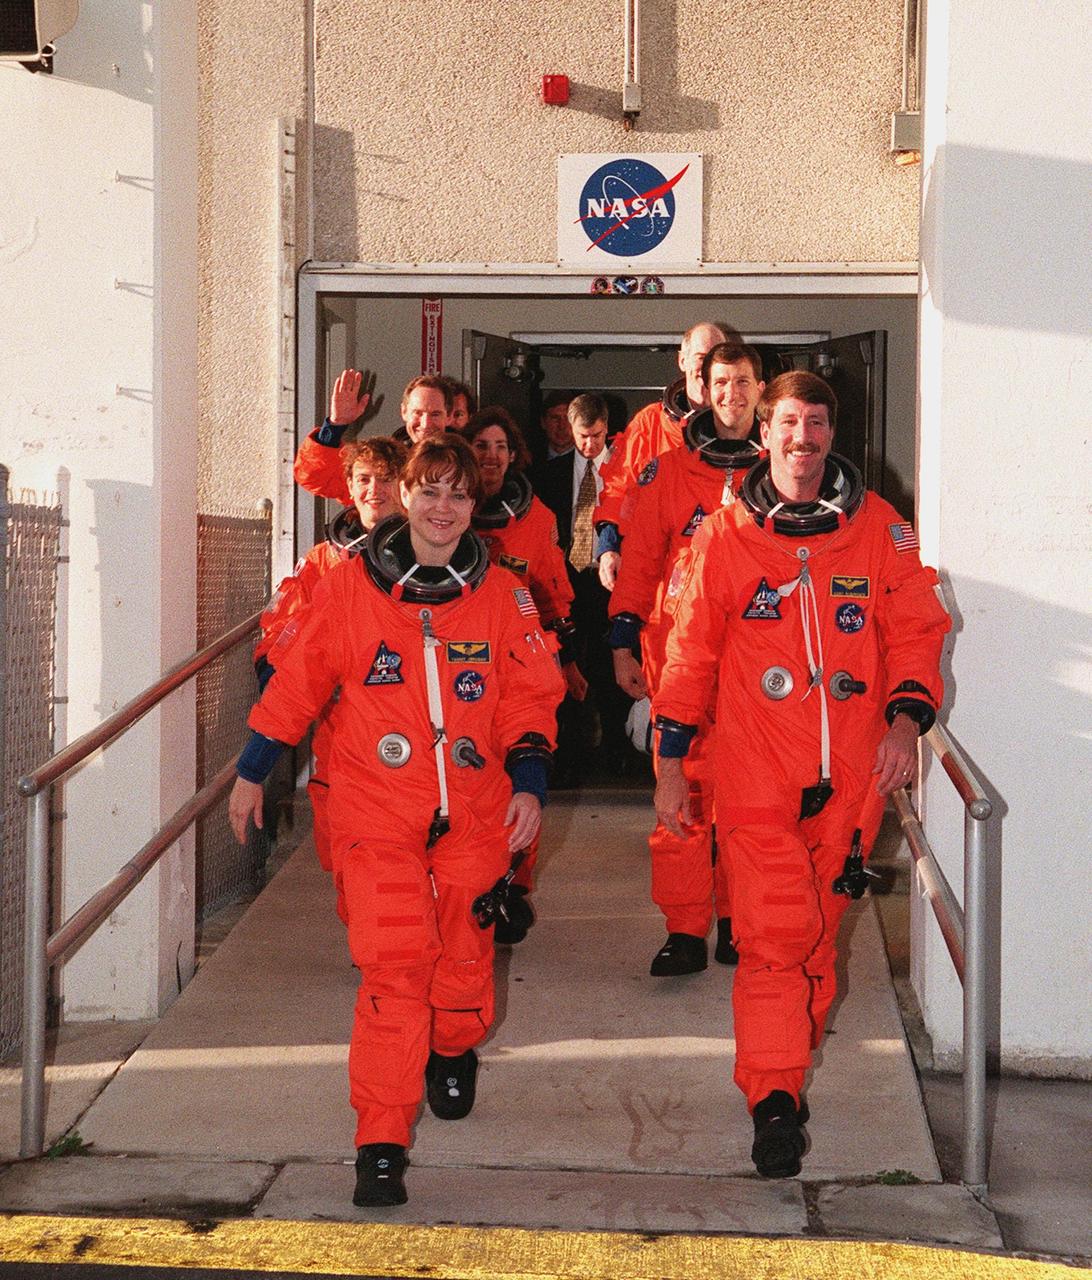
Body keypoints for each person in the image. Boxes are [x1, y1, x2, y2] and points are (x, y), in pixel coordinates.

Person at [229, 437, 565, 1208]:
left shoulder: (502, 594)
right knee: (393, 968)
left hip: (475, 814)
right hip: (375, 810)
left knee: (459, 970)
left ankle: (453, 1045)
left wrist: (531, 783)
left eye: (457, 496)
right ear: (403, 498)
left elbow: (530, 694)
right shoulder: (349, 589)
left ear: (472, 507)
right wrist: (253, 770)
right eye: (429, 493)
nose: (442, 509)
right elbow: (298, 682)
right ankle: (380, 1141)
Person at [653, 371, 950, 1178]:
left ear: (831, 433)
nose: (803, 438)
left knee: (817, 943)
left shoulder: (878, 527)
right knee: (777, 936)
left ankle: (785, 1062)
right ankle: (774, 1099)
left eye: (817, 423)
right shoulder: (723, 537)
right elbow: (689, 657)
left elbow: (918, 628)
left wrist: (903, 722)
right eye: (789, 422)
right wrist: (672, 763)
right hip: (756, 774)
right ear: (766, 431)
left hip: (852, 779)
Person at [608, 343, 766, 974]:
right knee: (681, 794)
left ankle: (735, 919)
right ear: (702, 386)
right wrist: (622, 641)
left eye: (743, 382)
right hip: (679, 657)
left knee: (749, 799)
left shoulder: (780, 469)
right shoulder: (668, 470)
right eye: (720, 382)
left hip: (757, 660)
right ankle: (683, 929)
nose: (731, 394)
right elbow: (640, 562)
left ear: (761, 389)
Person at [253, 438, 407, 919]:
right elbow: (277, 641)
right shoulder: (323, 561)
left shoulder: (433, 557)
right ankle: (367, 931)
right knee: (341, 847)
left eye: (386, 479)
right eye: (363, 479)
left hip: (413, 726)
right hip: (342, 733)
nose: (374, 489)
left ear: (405, 486)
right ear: (349, 488)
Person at [462, 406, 582, 932]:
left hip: (523, 656)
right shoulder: (446, 512)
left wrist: (569, 661)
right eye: (480, 446)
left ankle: (515, 882)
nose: (490, 457)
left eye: (500, 448)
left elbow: (554, 592)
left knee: (523, 768)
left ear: (515, 456)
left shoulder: (538, 520)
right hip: (459, 664)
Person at [535, 393, 632, 779]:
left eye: (597, 436)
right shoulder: (548, 476)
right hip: (564, 585)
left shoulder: (626, 472)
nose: (590, 445)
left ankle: (617, 752)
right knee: (564, 667)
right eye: (582, 436)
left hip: (610, 583)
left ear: (607, 429)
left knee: (612, 670)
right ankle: (569, 753)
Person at [593, 322, 731, 590]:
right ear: (682, 360)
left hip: (721, 568)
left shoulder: (743, 429)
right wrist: (609, 548)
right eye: (702, 358)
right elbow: (619, 488)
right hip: (656, 568)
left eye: (717, 359)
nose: (708, 369)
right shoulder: (650, 424)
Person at [294, 369, 452, 505]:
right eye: (417, 413)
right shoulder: (380, 462)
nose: (425, 423)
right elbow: (316, 478)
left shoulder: (466, 463)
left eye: (435, 414)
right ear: (404, 412)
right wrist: (336, 425)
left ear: (450, 416)